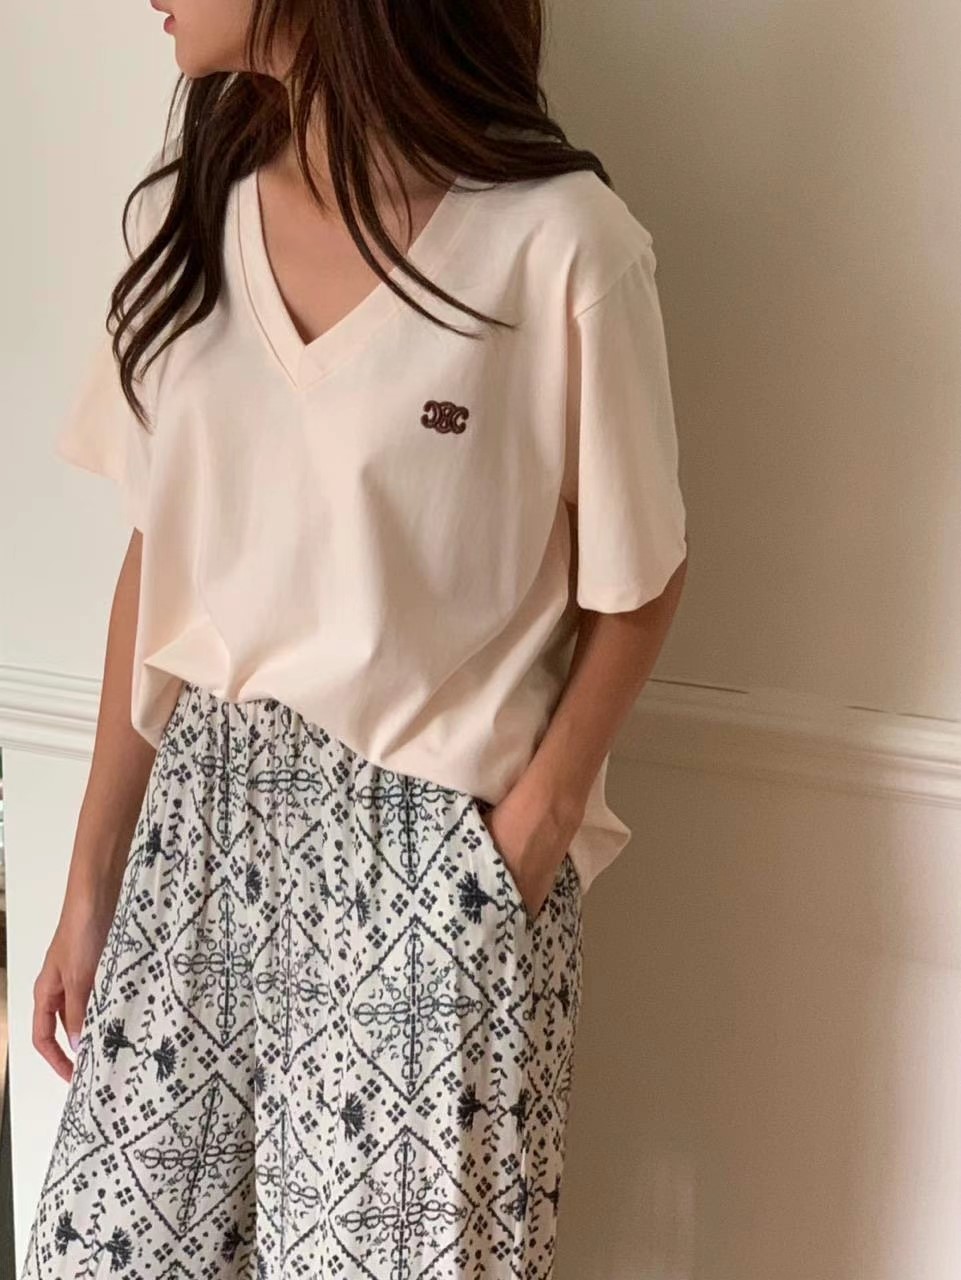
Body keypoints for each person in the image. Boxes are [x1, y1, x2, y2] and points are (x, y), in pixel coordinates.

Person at [20, 0, 688, 1275]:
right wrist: (91, 876)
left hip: (427, 849)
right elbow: (160, 556)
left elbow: (641, 580)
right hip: (199, 821)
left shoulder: (560, 245)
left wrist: (520, 844)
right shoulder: (198, 215)